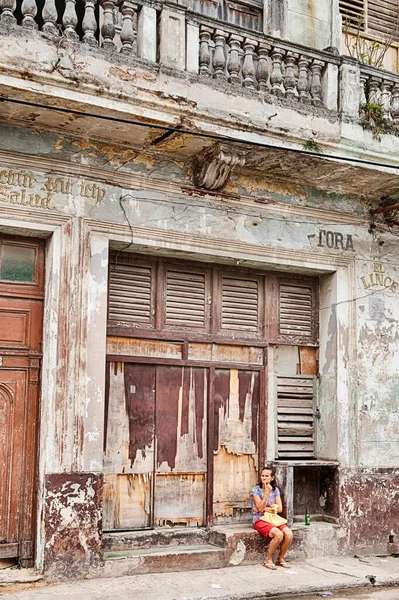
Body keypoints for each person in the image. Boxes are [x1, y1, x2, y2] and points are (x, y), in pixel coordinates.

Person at [250, 466, 293, 570]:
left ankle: (280, 558)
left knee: (289, 534)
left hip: (273, 519)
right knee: (278, 535)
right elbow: (259, 509)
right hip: (259, 520)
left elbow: (279, 509)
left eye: (267, 476)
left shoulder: (276, 490)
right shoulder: (255, 490)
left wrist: (264, 509)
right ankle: (268, 559)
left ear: (272, 478)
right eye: (262, 476)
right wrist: (266, 493)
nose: (264, 478)